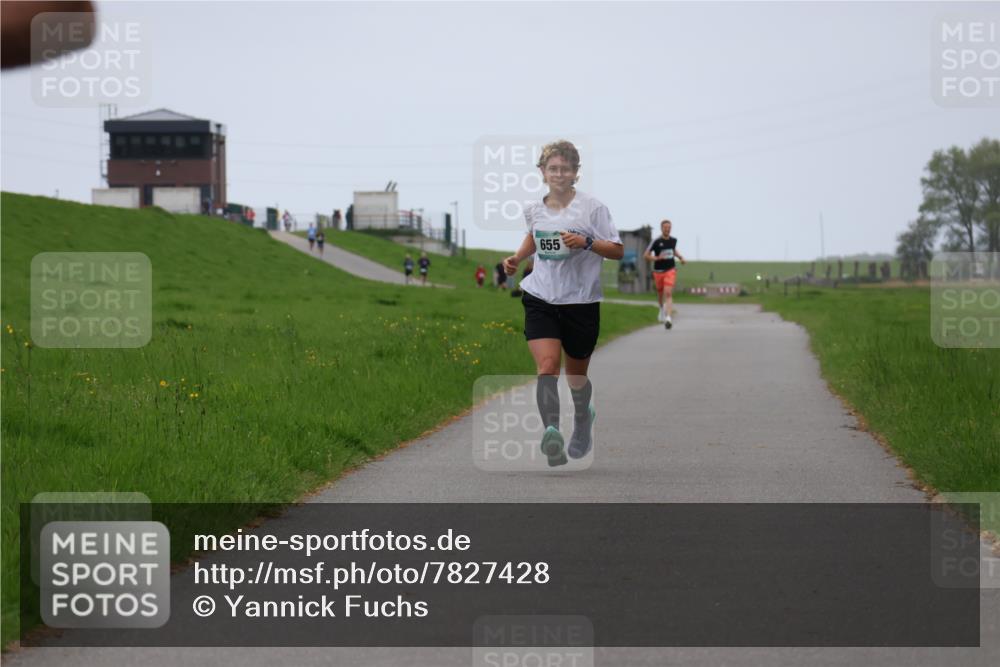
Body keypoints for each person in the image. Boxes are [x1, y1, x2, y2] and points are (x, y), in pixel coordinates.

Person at [502, 140, 623, 467]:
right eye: (552, 168)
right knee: (547, 366)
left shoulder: (593, 208)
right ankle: (551, 432)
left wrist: (585, 242)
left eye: (565, 168)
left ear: (575, 173)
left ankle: (583, 420)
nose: (559, 173)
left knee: (575, 376)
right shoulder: (534, 209)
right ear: (542, 172)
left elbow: (616, 250)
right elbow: (534, 236)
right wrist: (517, 257)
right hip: (540, 296)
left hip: (581, 301)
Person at [643, 219, 686, 329]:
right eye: (665, 227)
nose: (667, 229)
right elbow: (646, 255)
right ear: (661, 228)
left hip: (670, 269)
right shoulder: (656, 241)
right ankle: (661, 308)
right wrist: (657, 258)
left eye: (669, 227)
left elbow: (673, 250)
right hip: (658, 271)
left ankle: (668, 318)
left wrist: (680, 257)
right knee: (660, 294)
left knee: (668, 293)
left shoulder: (673, 240)